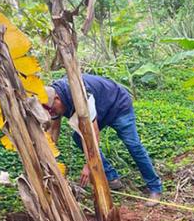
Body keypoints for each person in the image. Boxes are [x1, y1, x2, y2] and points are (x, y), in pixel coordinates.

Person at [44, 74, 162, 206]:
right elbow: (54, 130)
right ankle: (112, 177)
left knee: (133, 145)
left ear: (57, 98)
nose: (52, 113)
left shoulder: (81, 95)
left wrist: (89, 164)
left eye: (53, 110)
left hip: (117, 105)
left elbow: (93, 134)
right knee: (78, 138)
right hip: (99, 110)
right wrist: (49, 156)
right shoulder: (52, 101)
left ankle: (155, 188)